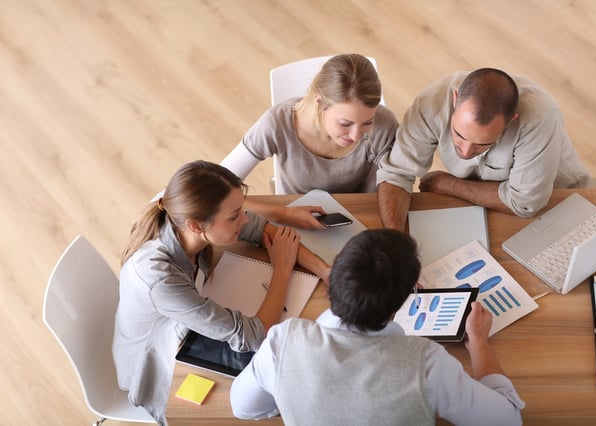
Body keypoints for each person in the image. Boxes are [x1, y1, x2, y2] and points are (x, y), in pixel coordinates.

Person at [230, 229, 524, 425]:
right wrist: (479, 343)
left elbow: (243, 408)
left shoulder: (282, 342)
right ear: (404, 298)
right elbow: (508, 419)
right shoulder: (427, 365)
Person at [112, 161, 330, 425]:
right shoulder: (159, 278)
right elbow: (254, 335)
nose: (245, 219)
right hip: (158, 365)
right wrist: (281, 270)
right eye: (234, 216)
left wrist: (326, 271)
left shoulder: (178, 208)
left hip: (185, 322)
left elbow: (263, 230)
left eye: (241, 210)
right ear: (196, 226)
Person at [377, 68, 590, 231]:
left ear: (511, 121)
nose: (466, 152)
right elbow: (396, 174)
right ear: (455, 100)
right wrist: (396, 240)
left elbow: (526, 204)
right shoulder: (429, 104)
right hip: (488, 197)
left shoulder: (539, 117)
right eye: (458, 134)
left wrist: (449, 184)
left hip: (555, 196)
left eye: (483, 143)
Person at [221, 53, 398, 229]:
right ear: (320, 103)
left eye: (367, 122)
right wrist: (282, 213)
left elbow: (376, 197)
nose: (355, 136)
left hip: (356, 218)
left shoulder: (384, 125)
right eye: (345, 123)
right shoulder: (277, 123)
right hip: (292, 217)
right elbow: (213, 187)